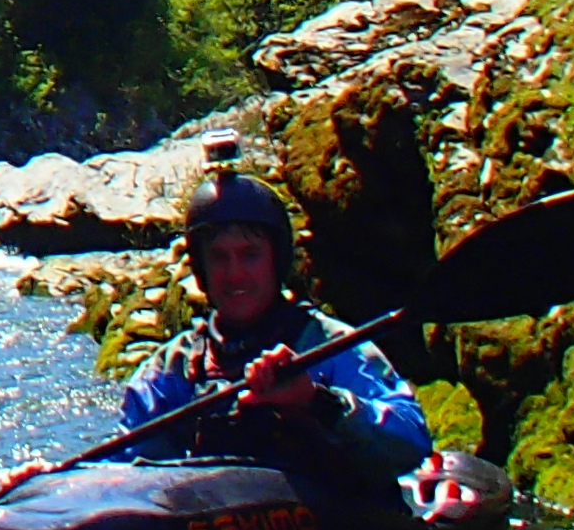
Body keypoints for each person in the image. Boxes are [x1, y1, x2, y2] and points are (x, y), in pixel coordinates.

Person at [119, 145, 437, 491]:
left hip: (333, 517)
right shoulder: (172, 370)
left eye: (250, 255)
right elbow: (121, 471)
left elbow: (412, 438)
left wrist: (315, 400)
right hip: (219, 519)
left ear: (276, 260)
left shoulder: (331, 347)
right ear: (201, 268)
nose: (234, 274)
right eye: (219, 257)